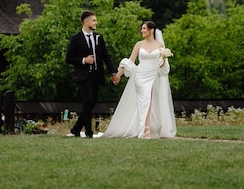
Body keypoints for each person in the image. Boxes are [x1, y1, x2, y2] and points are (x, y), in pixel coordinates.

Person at [103, 21, 176, 139]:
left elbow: (164, 65)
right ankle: (145, 130)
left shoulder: (160, 46)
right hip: (141, 76)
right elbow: (130, 61)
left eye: (144, 28)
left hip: (153, 76)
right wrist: (118, 75)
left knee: (150, 102)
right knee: (145, 101)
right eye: (141, 29)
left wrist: (163, 63)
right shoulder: (139, 44)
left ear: (151, 30)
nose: (142, 31)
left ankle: (147, 128)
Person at [66, 10, 120, 138]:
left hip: (96, 75)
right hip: (83, 76)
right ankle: (89, 132)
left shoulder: (98, 38)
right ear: (86, 22)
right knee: (88, 101)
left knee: (91, 103)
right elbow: (68, 58)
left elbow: (106, 57)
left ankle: (76, 128)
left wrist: (113, 72)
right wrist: (84, 60)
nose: (96, 22)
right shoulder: (76, 38)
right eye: (94, 20)